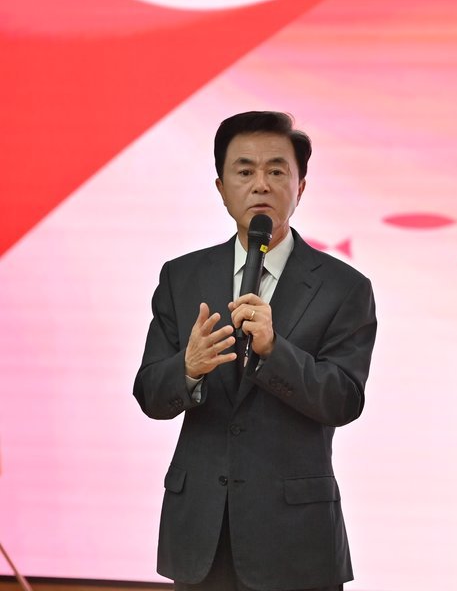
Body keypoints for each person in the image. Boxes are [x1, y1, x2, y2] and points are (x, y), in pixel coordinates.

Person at [134, 111, 377, 591]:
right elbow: (149, 393)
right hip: (201, 533)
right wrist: (187, 369)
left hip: (295, 537)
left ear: (300, 186)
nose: (261, 184)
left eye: (276, 170)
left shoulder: (344, 287)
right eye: (244, 171)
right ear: (221, 188)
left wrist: (274, 350)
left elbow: (344, 399)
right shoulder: (181, 277)